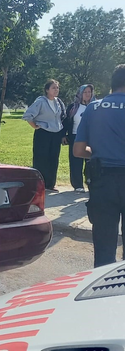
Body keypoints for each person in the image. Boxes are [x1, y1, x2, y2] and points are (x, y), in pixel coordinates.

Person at [74, 64, 125, 268]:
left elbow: (78, 151)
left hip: (102, 181)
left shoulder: (94, 108)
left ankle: (102, 295)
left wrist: (98, 153)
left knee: (104, 250)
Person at [23, 80, 66, 192]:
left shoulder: (59, 102)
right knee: (41, 159)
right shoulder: (41, 101)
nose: (56, 90)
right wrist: (35, 126)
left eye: (57, 87)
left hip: (56, 134)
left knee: (54, 159)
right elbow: (28, 115)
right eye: (53, 88)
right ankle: (40, 185)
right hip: (43, 133)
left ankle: (50, 184)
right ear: (47, 90)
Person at [62, 84, 95, 192]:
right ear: (80, 94)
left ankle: (91, 182)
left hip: (91, 137)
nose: (87, 94)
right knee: (75, 161)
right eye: (85, 92)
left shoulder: (95, 106)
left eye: (89, 92)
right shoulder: (73, 107)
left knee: (91, 161)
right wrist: (64, 135)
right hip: (76, 136)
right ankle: (78, 185)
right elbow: (66, 122)